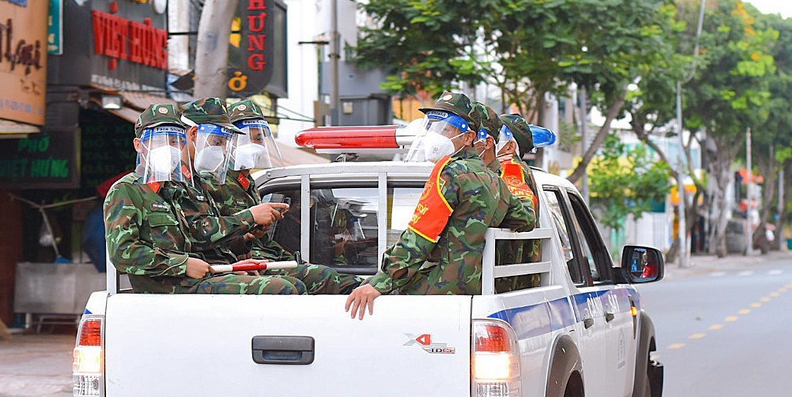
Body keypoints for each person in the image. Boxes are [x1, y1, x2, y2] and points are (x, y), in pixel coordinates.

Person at [344, 92, 519, 319]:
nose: (436, 135)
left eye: (446, 129)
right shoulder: (494, 178)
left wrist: (380, 282)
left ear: (468, 137)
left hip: (436, 289)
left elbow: (420, 236)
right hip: (471, 288)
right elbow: (524, 219)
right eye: (434, 127)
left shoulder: (449, 172)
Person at [103, 103, 303, 294]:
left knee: (293, 285)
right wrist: (183, 265)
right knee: (280, 289)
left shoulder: (173, 190)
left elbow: (194, 241)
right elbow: (122, 253)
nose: (170, 147)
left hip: (196, 278)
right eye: (161, 140)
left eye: (175, 141)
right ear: (139, 145)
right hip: (167, 287)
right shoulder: (127, 190)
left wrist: (227, 264)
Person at [193, 99, 363, 294]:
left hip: (261, 255)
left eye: (259, 138)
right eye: (249, 138)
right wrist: (249, 222)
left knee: (342, 280)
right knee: (310, 281)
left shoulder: (248, 184)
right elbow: (208, 234)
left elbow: (257, 239)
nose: (257, 145)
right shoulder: (215, 181)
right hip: (238, 260)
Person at [496, 113, 543, 291]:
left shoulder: (511, 168)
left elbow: (522, 216)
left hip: (507, 277)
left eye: (495, 136)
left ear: (510, 146)